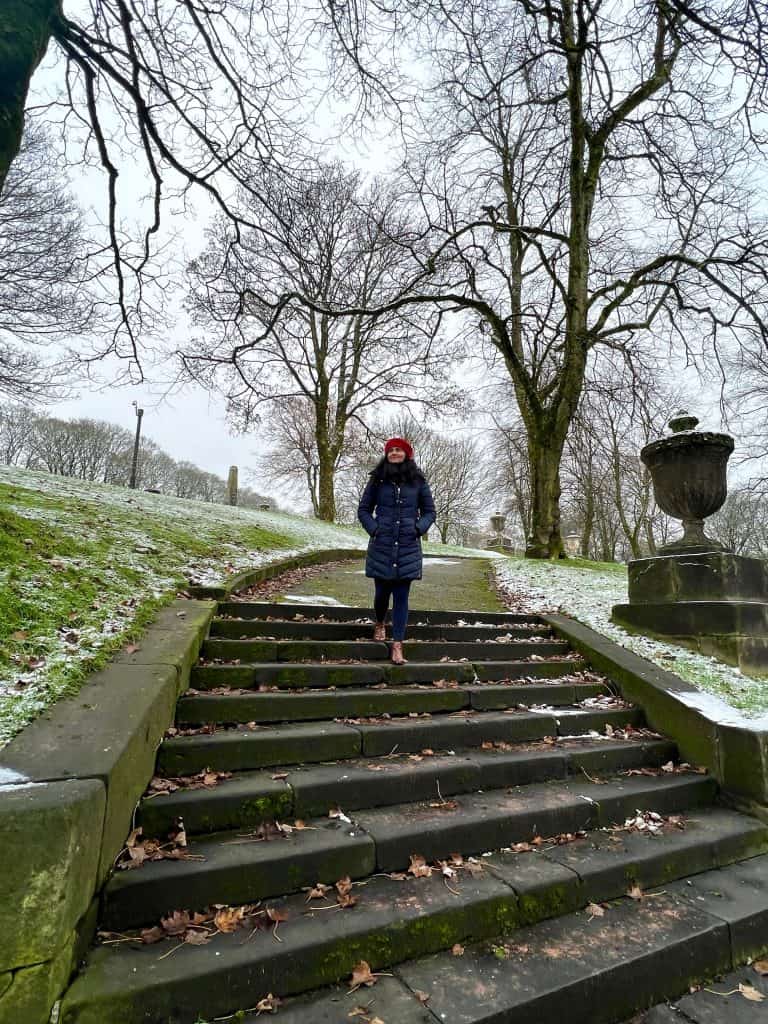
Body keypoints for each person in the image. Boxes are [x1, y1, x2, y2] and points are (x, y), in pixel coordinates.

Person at [357, 437, 436, 664]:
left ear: (406, 454)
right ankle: (380, 622)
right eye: (390, 450)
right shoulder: (377, 480)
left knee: (401, 597)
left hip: (408, 547)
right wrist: (374, 529)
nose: (394, 453)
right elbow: (363, 510)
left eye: (398, 450)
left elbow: (430, 511)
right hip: (381, 545)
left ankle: (397, 645)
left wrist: (417, 528)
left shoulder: (418, 481)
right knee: (381, 593)